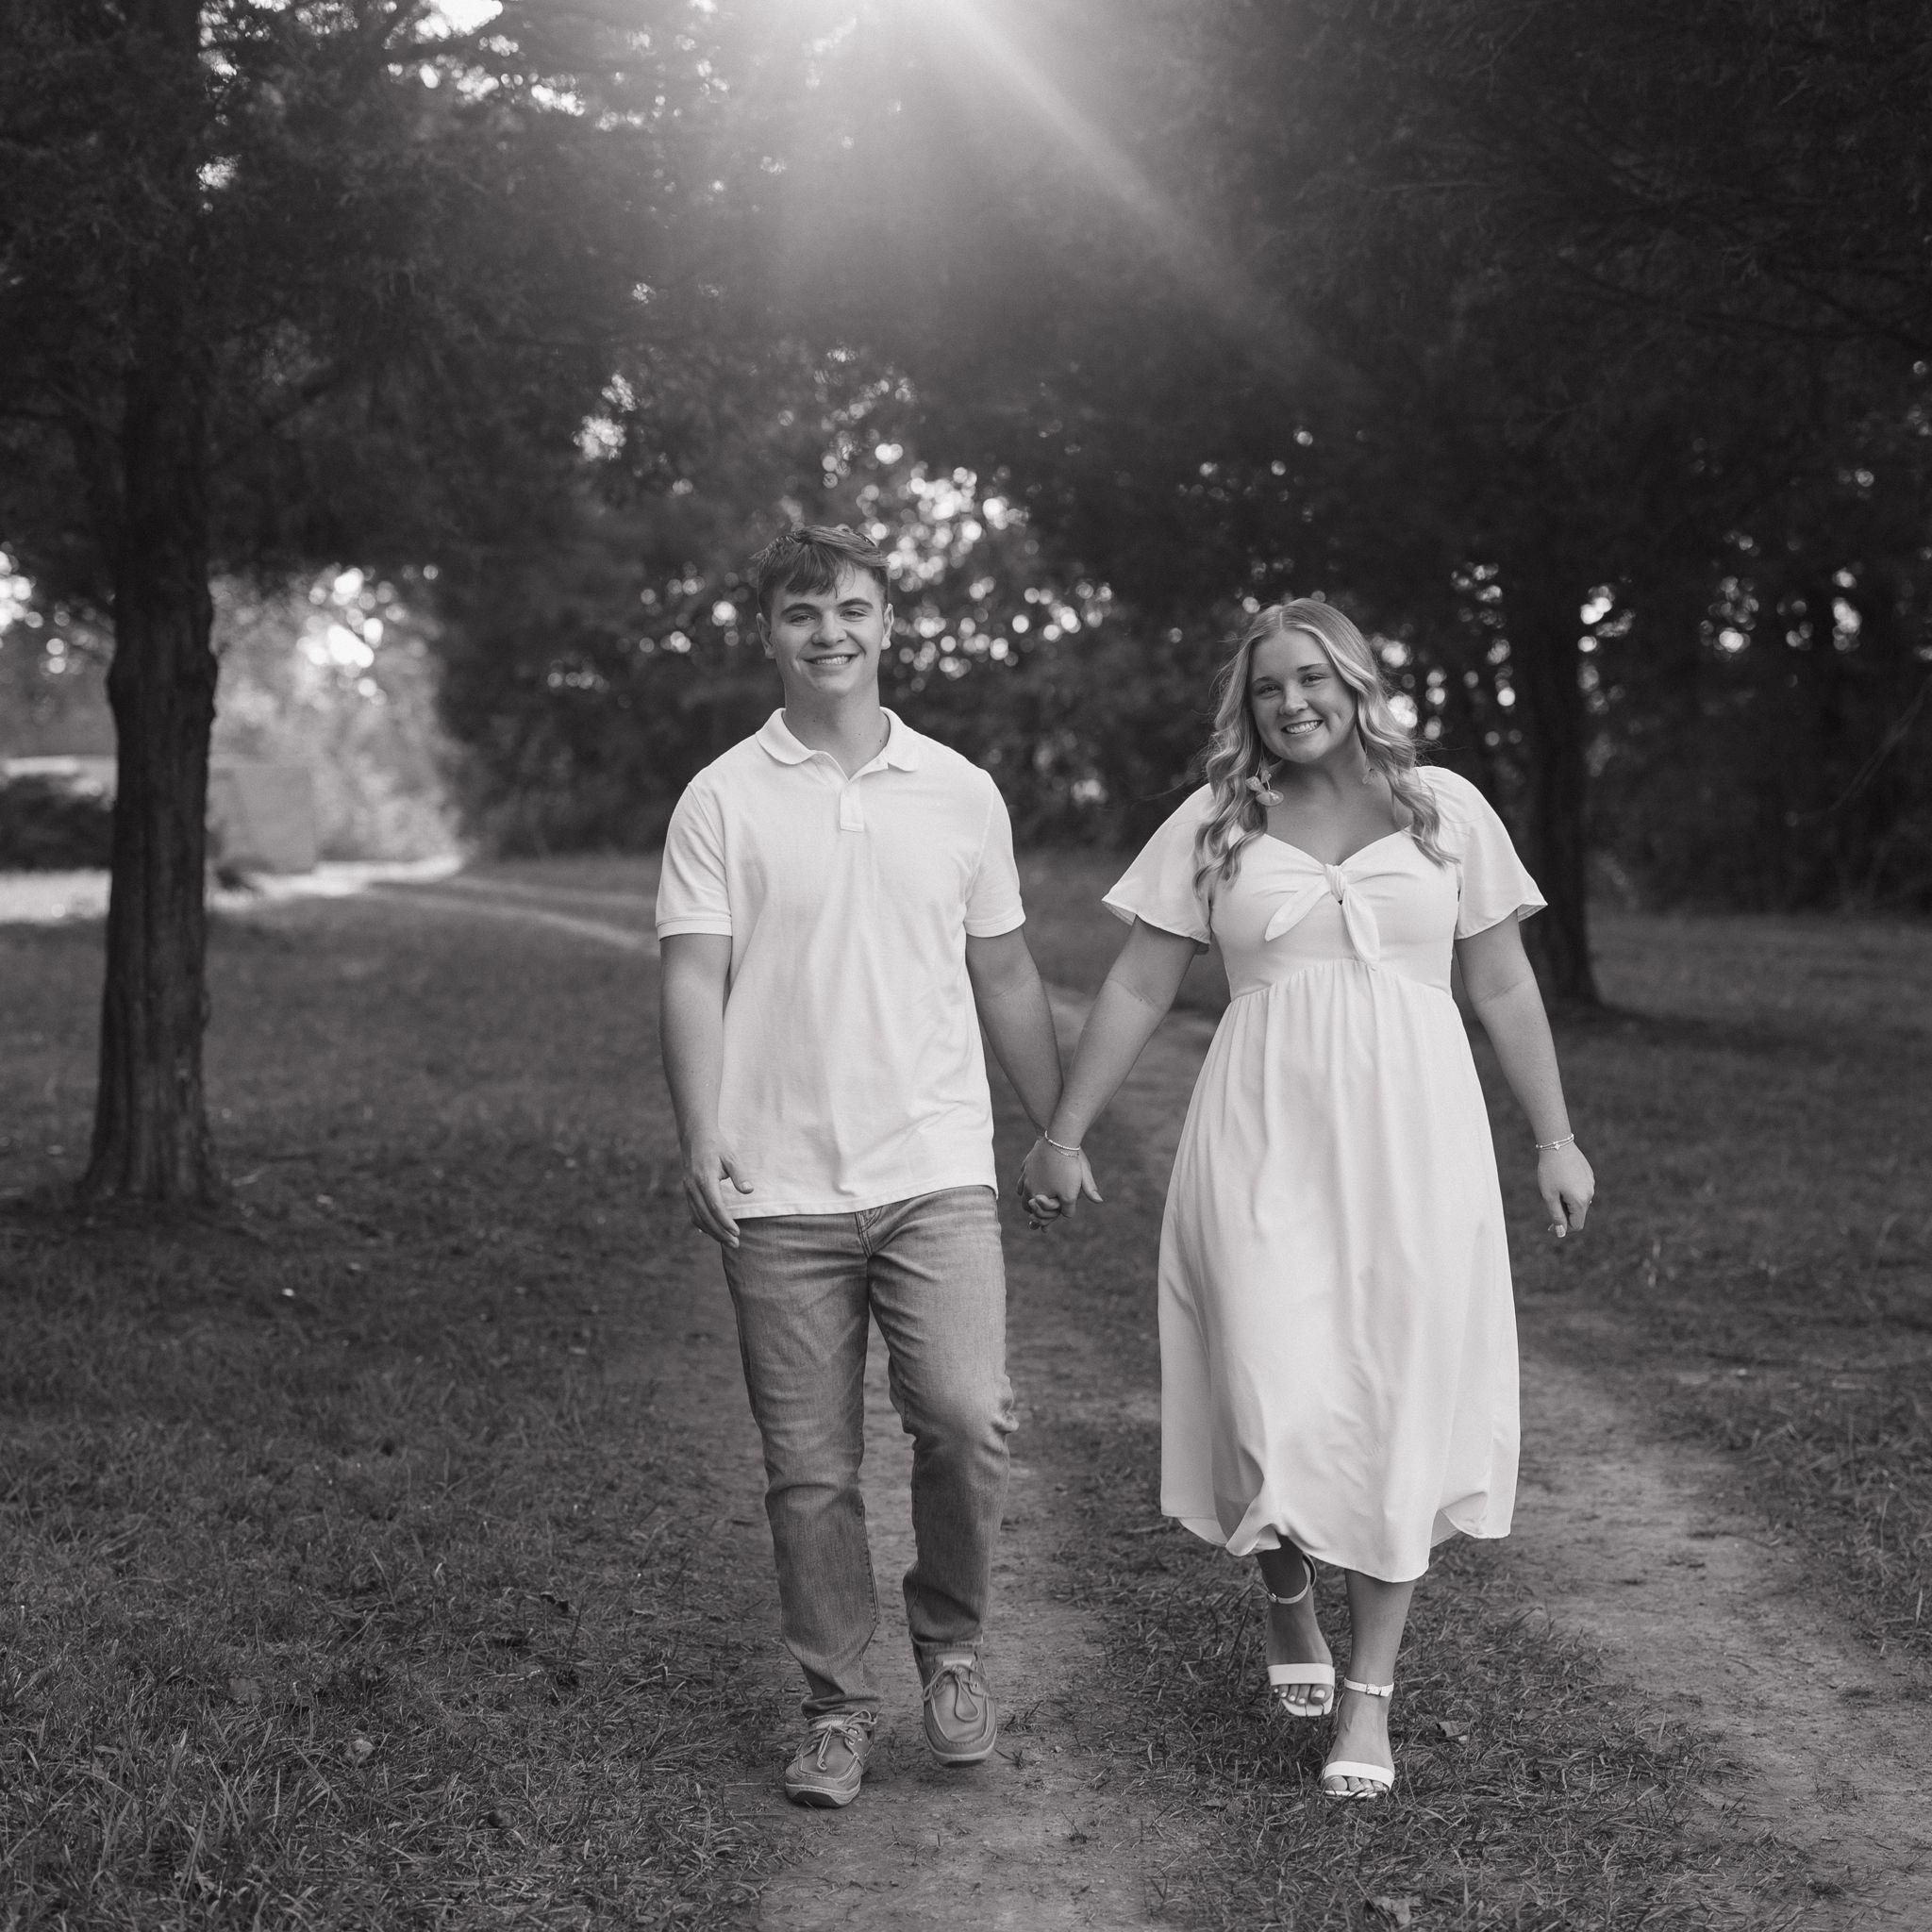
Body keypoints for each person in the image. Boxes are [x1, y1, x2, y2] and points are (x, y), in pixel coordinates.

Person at [1021, 598, 1595, 1801]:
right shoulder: (1216, 820)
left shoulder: (1443, 808)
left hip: (1415, 1142)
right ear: (1248, 706)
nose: (1291, 701)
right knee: (1259, 1375)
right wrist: (1062, 1131)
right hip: (1261, 1133)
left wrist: (1553, 1138)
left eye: (1311, 678)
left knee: (1396, 1396)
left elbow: (1500, 982)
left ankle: (1367, 1696)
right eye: (1268, 685)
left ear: (1354, 682)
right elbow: (1137, 985)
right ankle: (1284, 1582)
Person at [655, 525, 1069, 1809]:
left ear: (887, 623)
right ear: (767, 634)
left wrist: (1054, 1127)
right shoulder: (721, 797)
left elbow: (1004, 968)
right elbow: (694, 974)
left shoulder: (959, 790)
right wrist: (699, 1131)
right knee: (809, 1468)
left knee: (966, 1412)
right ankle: (834, 1705)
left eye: (849, 607)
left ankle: (952, 1648)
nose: (826, 631)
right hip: (777, 1183)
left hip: (933, 1165)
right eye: (800, 612)